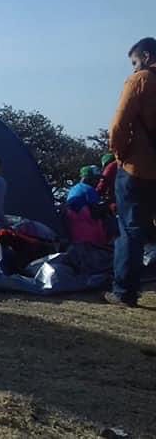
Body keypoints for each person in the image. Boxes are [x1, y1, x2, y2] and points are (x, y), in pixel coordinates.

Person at [105, 37, 156, 307]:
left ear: (146, 57)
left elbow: (119, 124)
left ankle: (124, 292)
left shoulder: (140, 80)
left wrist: (119, 155)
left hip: (137, 168)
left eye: (135, 62)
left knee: (130, 230)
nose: (134, 68)